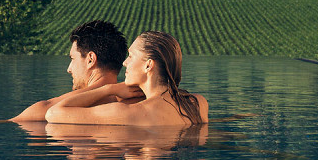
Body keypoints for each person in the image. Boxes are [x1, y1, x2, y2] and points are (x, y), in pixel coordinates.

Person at [46, 31, 208, 127]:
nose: (125, 62)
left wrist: (109, 89)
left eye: (131, 56)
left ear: (148, 65)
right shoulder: (198, 103)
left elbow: (53, 114)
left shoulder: (129, 113)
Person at [11, 19, 129, 122]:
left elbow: (32, 116)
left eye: (73, 58)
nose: (69, 69)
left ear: (90, 60)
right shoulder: (135, 103)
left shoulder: (51, 109)